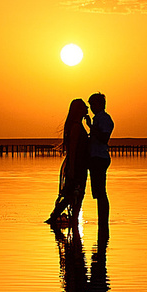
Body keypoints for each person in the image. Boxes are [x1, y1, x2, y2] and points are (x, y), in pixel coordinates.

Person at [45, 97, 91, 226]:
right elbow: (72, 148)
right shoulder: (76, 127)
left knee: (73, 194)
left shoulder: (79, 125)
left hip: (79, 165)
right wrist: (71, 168)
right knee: (73, 194)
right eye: (84, 107)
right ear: (78, 110)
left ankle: (65, 220)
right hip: (76, 166)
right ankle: (57, 219)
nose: (87, 109)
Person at [84, 91, 115, 231]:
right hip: (96, 158)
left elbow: (104, 138)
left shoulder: (104, 119)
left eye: (92, 105)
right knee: (98, 192)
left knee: (101, 192)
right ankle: (102, 221)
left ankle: (103, 221)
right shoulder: (98, 119)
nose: (91, 108)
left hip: (100, 158)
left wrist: (91, 127)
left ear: (100, 104)